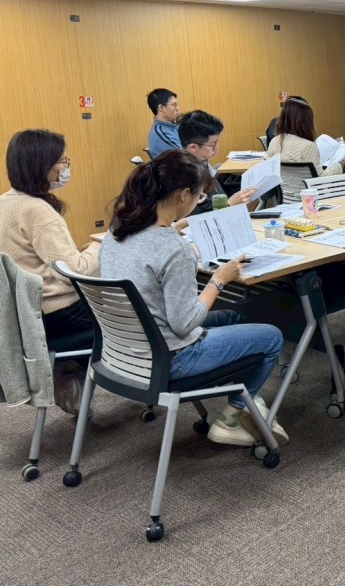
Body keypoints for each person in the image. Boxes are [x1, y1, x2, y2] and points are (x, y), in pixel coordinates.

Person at [101, 150, 287, 447]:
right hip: (171, 358)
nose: (199, 202)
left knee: (234, 317)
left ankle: (250, 399)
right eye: (200, 197)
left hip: (123, 354)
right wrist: (219, 280)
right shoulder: (175, 250)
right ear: (184, 195)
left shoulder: (117, 230)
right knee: (272, 337)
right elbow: (184, 323)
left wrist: (190, 222)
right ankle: (232, 417)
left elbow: (157, 241)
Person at [0, 129, 100, 414]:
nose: (65, 167)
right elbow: (72, 271)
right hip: (59, 312)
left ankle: (69, 374)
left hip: (28, 316)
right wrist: (100, 245)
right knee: (133, 317)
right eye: (62, 161)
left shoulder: (5, 202)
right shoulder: (37, 210)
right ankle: (76, 375)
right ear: (42, 165)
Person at [178, 110, 257, 216]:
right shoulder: (184, 177)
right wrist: (229, 204)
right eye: (213, 144)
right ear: (193, 147)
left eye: (217, 142)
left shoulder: (200, 163)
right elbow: (193, 221)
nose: (217, 147)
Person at [265, 96, 345, 176]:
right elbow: (320, 177)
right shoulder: (308, 146)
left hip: (282, 186)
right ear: (306, 121)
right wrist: (340, 165)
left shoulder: (274, 141)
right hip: (305, 187)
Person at [146, 88, 181, 158]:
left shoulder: (172, 126)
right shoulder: (162, 133)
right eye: (174, 105)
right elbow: (187, 158)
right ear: (161, 108)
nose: (178, 108)